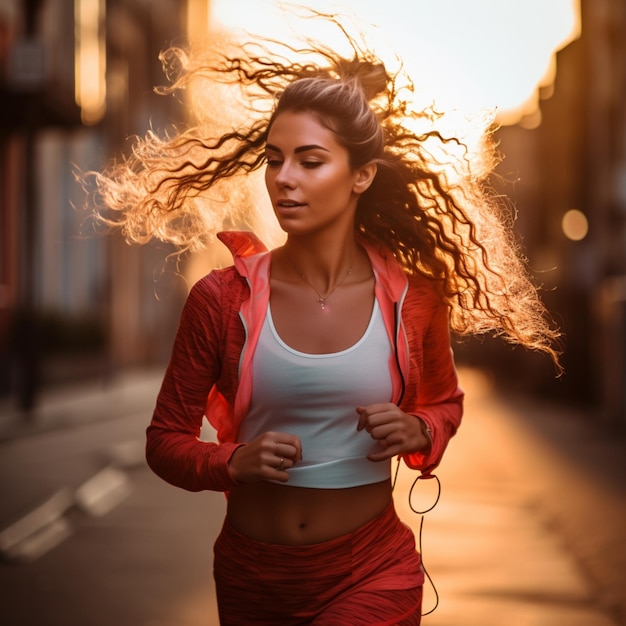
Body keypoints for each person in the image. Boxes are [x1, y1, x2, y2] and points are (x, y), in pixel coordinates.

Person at [86, 16, 560, 625]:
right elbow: (164, 442)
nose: (284, 178)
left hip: (373, 569)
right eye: (274, 159)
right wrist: (230, 462)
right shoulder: (220, 298)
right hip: (252, 575)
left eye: (310, 161)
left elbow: (445, 404)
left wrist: (419, 431)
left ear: (361, 175)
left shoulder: (413, 301)